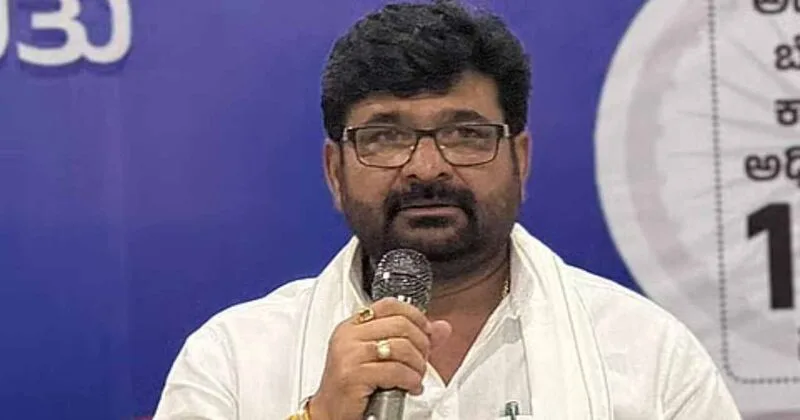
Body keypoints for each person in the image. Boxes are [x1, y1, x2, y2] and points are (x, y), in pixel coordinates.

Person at [152, 1, 742, 419]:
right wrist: (320, 417)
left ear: (520, 159)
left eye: (465, 133)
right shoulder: (234, 359)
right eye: (386, 137)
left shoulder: (648, 354)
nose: (427, 167)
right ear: (335, 171)